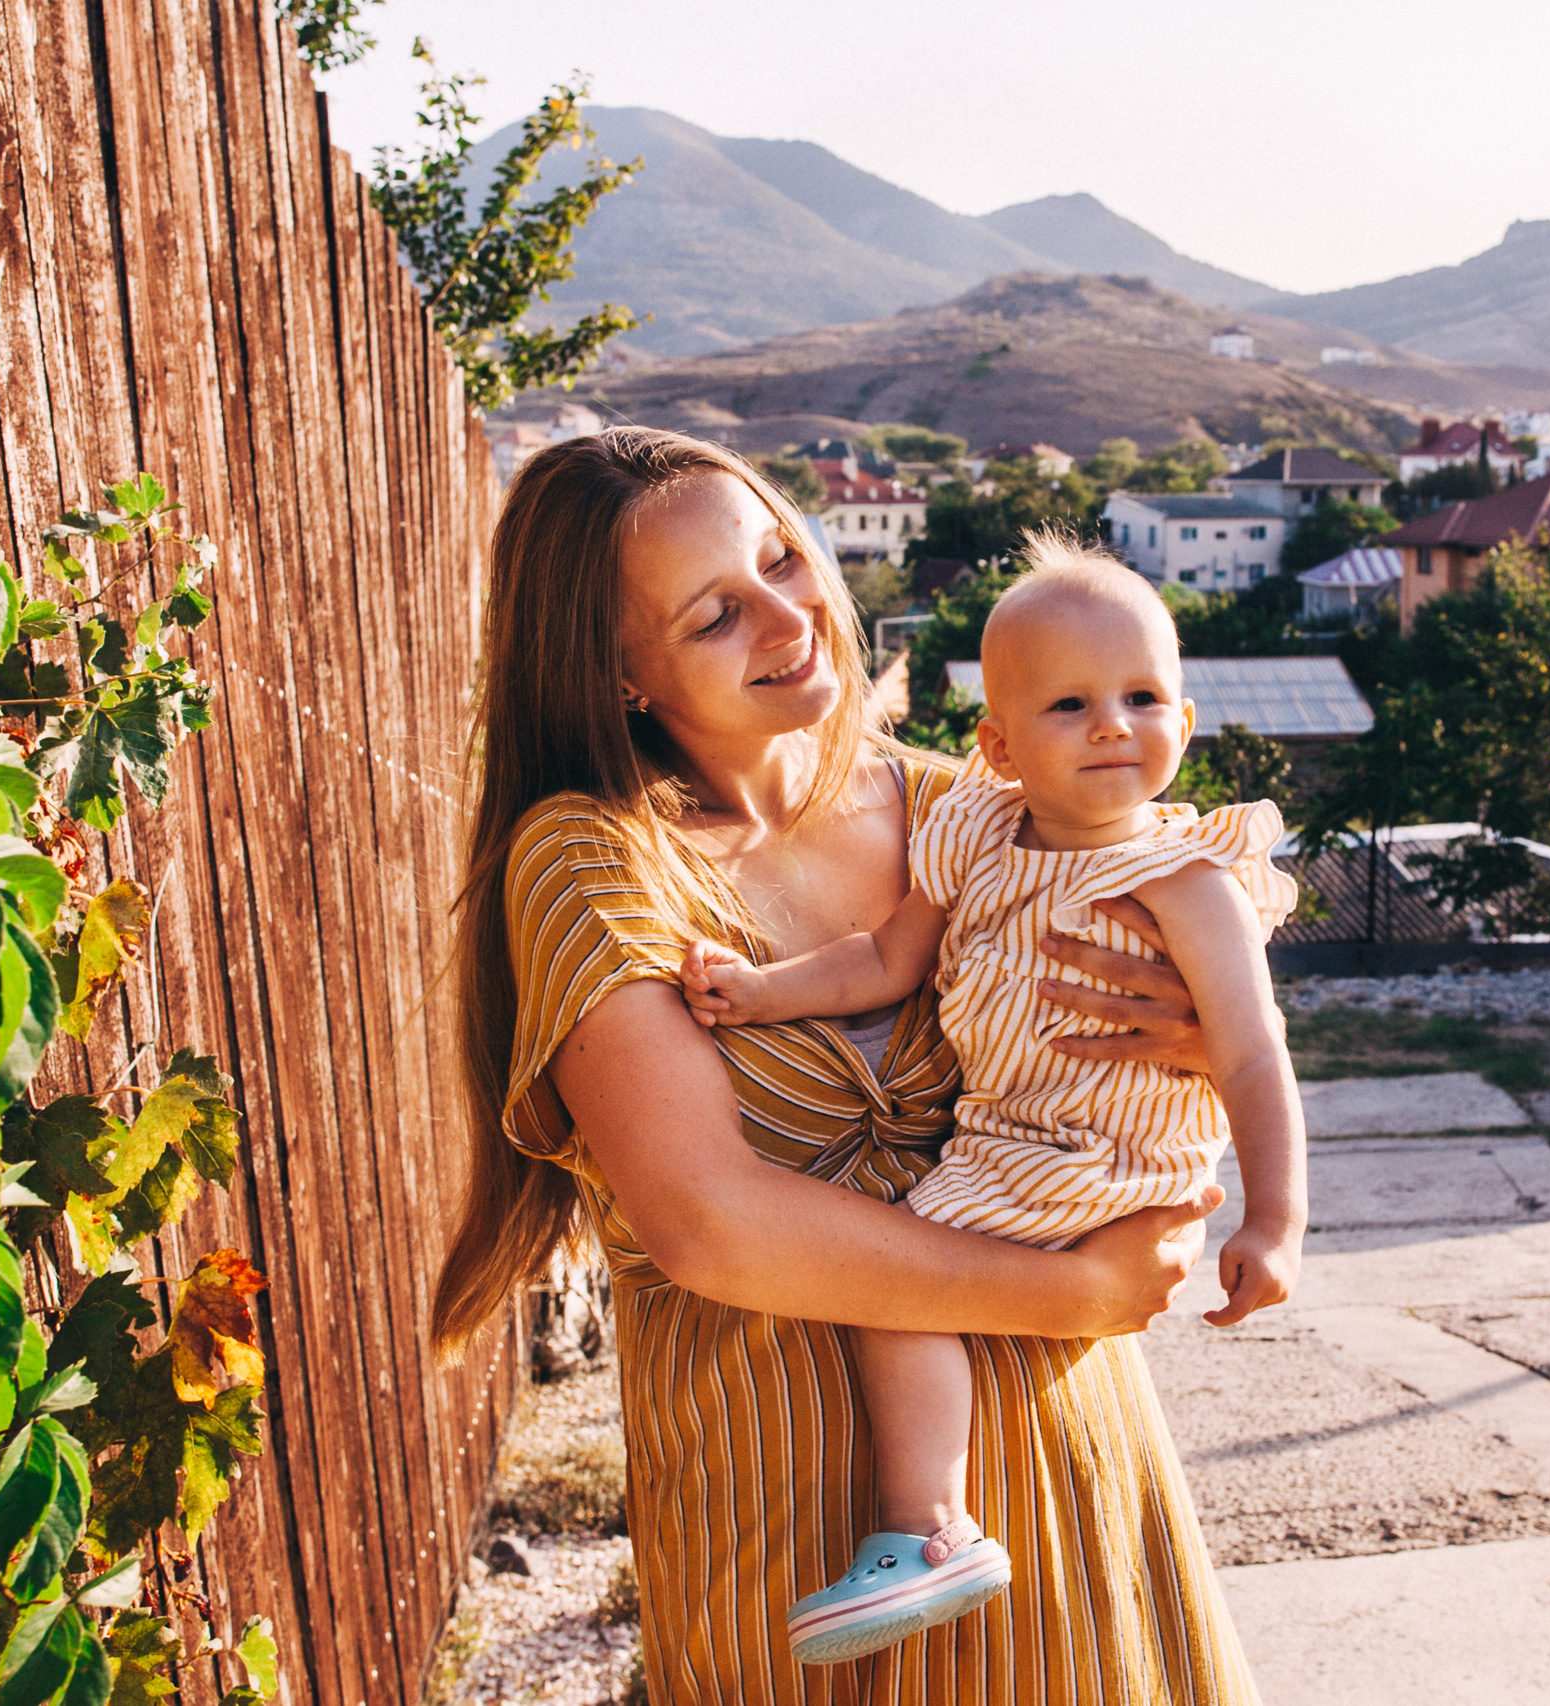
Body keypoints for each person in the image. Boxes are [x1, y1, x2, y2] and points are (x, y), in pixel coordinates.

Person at [431, 427, 1265, 1703]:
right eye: (717, 612)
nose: (789, 613)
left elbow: (1211, 1000)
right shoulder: (595, 859)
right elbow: (711, 1221)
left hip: (1072, 1474)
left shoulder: (972, 812)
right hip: (802, 1534)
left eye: (780, 557)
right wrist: (1077, 1294)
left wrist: (1206, 1043)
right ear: (615, 675)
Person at [678, 536, 1307, 1663]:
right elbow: (883, 959)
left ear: (1186, 717)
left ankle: (928, 1528)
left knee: (898, 1278)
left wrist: (1274, 1216)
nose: (1113, 723)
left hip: (1108, 1152)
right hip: (1009, 1138)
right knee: (911, 1265)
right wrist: (762, 990)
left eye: (1142, 696)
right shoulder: (973, 831)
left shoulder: (1188, 878)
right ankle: (940, 1521)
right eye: (1070, 703)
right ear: (998, 743)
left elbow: (1253, 1052)